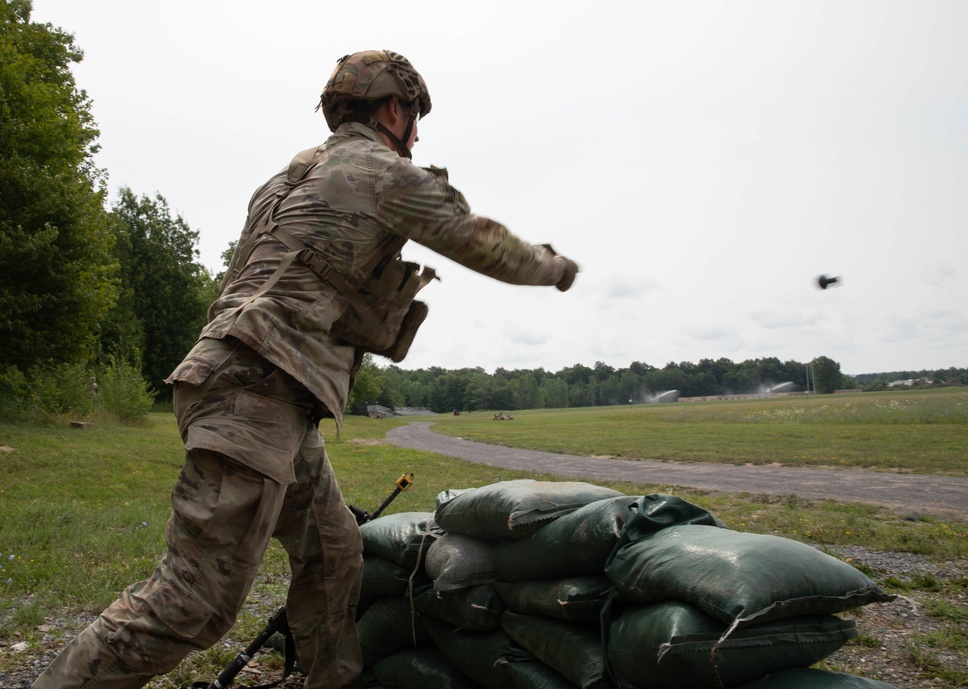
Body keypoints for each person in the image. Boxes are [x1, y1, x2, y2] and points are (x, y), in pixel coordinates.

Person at [33, 49, 577, 689]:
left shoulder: (286, 180)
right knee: (194, 600)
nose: (419, 135)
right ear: (394, 109)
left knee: (332, 553)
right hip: (255, 389)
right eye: (415, 117)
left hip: (262, 388)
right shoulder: (379, 171)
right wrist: (555, 267)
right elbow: (477, 240)